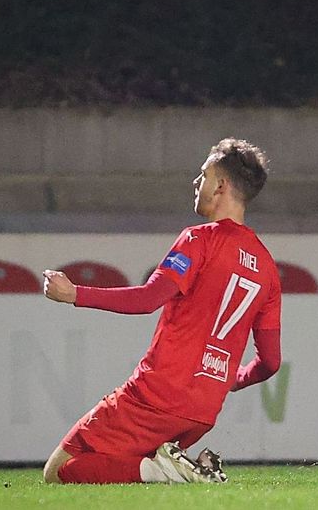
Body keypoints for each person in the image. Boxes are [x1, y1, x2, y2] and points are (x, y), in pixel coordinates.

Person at [41, 138, 282, 484]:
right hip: (202, 412)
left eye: (204, 175)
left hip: (155, 397)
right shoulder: (267, 267)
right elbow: (270, 361)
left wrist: (74, 293)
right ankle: (171, 470)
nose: (196, 183)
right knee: (121, 476)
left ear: (221, 186)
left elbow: (148, 299)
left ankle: (168, 470)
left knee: (60, 470)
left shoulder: (199, 239)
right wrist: (229, 378)